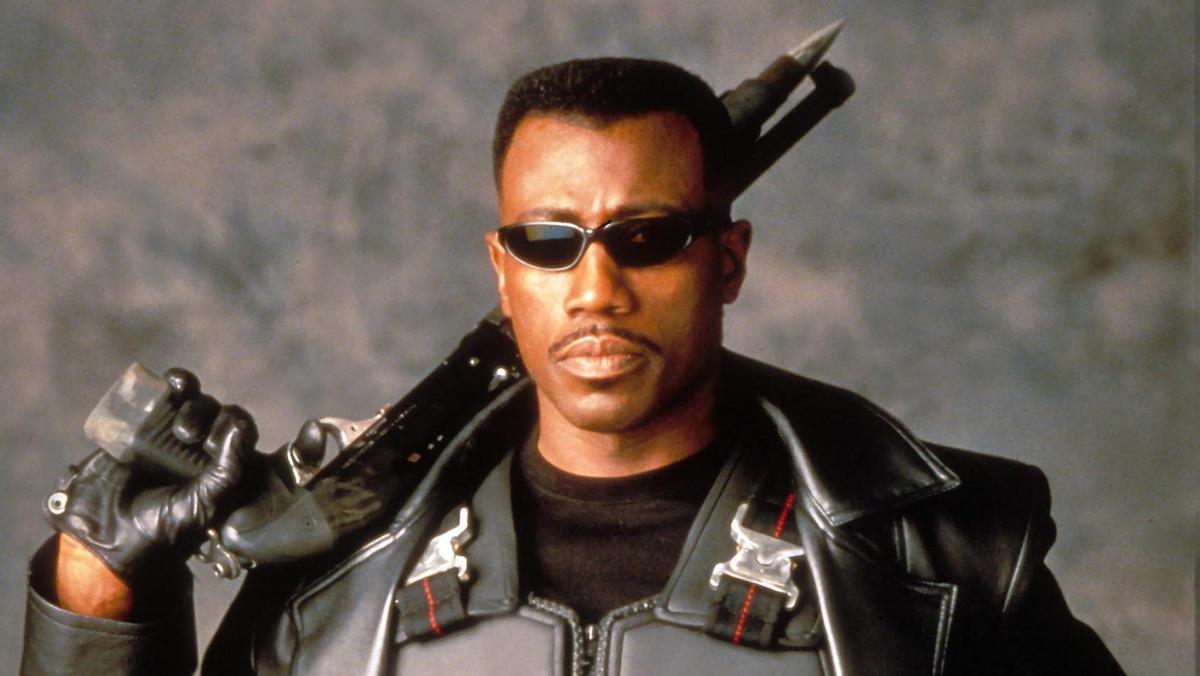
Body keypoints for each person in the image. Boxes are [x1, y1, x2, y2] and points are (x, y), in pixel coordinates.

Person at [21, 58, 1123, 675]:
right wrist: (100, 586)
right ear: (503, 273)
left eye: (647, 237)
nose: (596, 288)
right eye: (551, 243)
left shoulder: (942, 554)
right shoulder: (339, 570)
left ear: (727, 259)